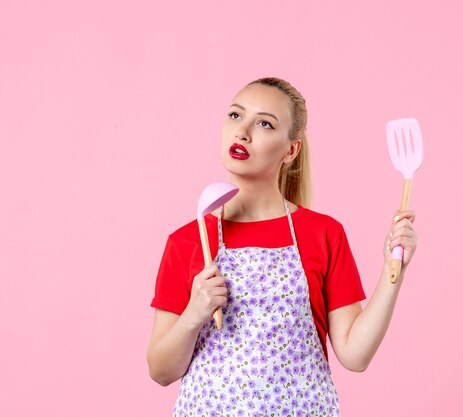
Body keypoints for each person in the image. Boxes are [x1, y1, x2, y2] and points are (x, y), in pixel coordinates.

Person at [147, 77, 417, 417]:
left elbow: (355, 355)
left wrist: (394, 273)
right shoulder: (187, 240)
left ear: (291, 150)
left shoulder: (323, 233)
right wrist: (193, 315)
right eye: (235, 116)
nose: (242, 132)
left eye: (264, 124)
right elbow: (160, 371)